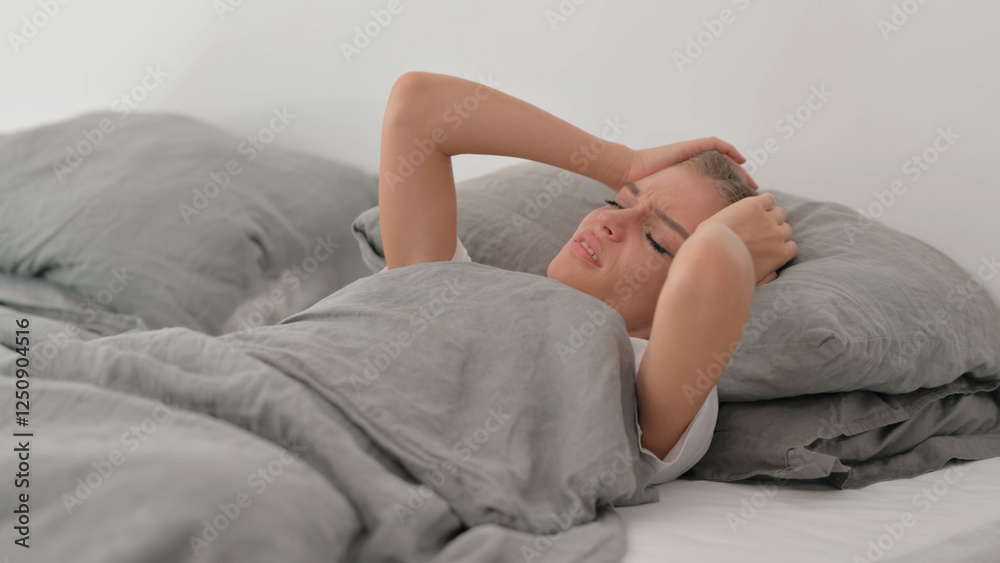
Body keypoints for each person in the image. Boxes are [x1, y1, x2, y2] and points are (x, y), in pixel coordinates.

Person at [377, 71, 798, 484]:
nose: (610, 223)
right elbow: (418, 104)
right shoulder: (454, 285)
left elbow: (705, 273)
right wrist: (624, 162)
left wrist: (730, 244)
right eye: (618, 202)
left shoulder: (643, 386)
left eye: (656, 241)